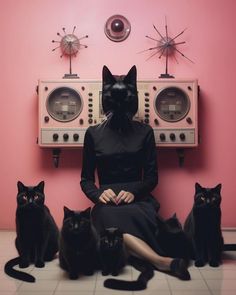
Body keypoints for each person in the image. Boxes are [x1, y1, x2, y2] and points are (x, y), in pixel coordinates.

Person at [80, 65, 190, 280]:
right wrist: (98, 195)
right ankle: (160, 261)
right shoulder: (92, 134)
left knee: (133, 218)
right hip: (107, 201)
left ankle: (136, 254)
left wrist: (135, 192)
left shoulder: (145, 132)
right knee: (106, 218)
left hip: (138, 199)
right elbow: (85, 179)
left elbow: (151, 177)